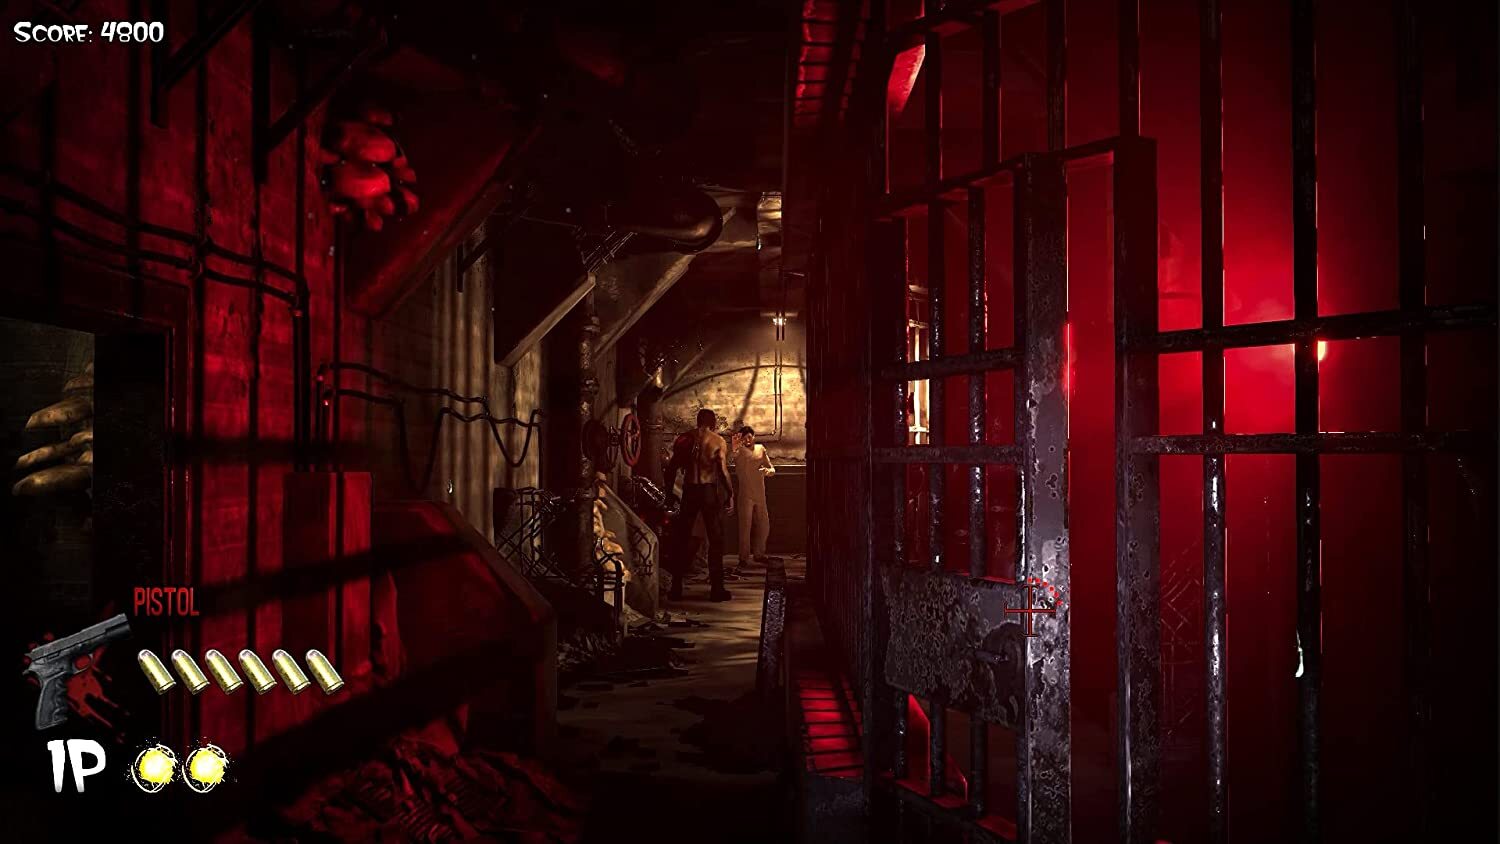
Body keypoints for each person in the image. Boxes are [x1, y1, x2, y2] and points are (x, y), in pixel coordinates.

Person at [664, 409, 735, 601]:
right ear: (713, 423)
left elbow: (671, 468)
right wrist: (730, 493)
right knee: (715, 539)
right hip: (708, 491)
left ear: (697, 421)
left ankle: (676, 588)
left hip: (690, 491)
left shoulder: (684, 439)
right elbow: (723, 472)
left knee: (681, 538)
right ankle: (717, 590)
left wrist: (668, 493)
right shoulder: (717, 441)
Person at [732, 426, 775, 572]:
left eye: (749, 437)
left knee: (764, 524)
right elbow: (733, 457)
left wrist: (767, 471)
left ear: (754, 436)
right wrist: (735, 446)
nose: (747, 440)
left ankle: (759, 553)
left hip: (759, 493)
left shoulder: (760, 449)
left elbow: (772, 469)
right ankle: (743, 558)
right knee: (745, 527)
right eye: (744, 438)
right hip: (745, 495)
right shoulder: (739, 451)